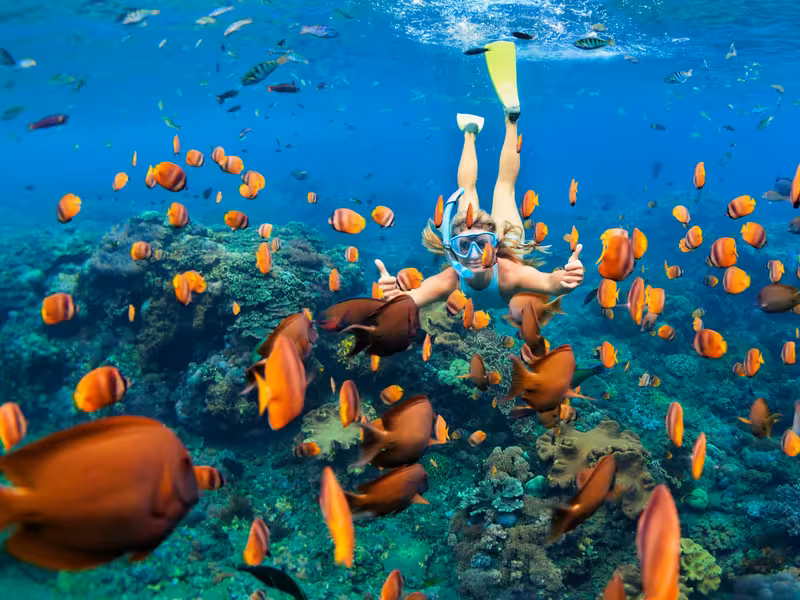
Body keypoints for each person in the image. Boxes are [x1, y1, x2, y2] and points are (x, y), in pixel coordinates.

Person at [375, 41, 584, 308]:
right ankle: (500, 122)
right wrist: (395, 297)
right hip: (511, 238)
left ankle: (480, 129)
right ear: (454, 252)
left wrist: (564, 280)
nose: (475, 254)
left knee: (474, 188)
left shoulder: (509, 273)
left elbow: (549, 283)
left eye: (482, 244)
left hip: (505, 241)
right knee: (504, 188)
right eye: (465, 246)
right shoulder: (450, 278)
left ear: (494, 246)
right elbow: (410, 300)